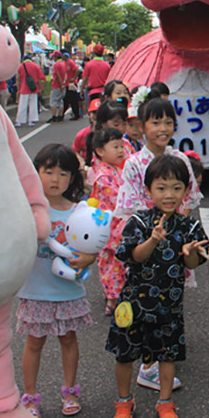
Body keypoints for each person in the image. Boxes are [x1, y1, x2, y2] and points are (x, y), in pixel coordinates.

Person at [106, 154, 209, 418]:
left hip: (169, 306)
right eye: (161, 188)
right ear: (148, 189)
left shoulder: (190, 227)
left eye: (176, 188)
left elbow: (193, 263)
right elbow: (134, 256)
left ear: (186, 190)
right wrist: (153, 239)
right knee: (125, 354)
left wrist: (189, 252)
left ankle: (165, 402)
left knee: (167, 355)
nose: (169, 195)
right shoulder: (139, 222)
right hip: (134, 303)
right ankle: (124, 401)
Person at [114, 98, 202, 392]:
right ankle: (148, 365)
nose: (163, 128)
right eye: (155, 122)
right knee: (142, 306)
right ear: (142, 126)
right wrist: (153, 230)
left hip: (174, 244)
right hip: (146, 242)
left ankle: (157, 361)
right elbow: (128, 208)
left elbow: (189, 199)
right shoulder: (133, 163)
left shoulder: (181, 160)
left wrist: (180, 230)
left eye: (168, 122)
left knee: (170, 302)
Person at [16, 144, 95, 418]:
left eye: (63, 173)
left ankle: (70, 392)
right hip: (35, 290)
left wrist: (88, 259)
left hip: (67, 291)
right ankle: (30, 396)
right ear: (36, 172)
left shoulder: (79, 211)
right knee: (34, 343)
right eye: (48, 172)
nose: (55, 179)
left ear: (72, 178)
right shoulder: (28, 210)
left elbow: (91, 247)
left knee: (69, 340)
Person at [89, 127, 127, 315]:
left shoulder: (114, 170)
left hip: (115, 227)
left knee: (117, 264)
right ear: (100, 151)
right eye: (115, 147)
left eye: (121, 146)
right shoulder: (104, 176)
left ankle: (117, 297)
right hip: (109, 229)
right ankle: (112, 300)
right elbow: (118, 200)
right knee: (111, 265)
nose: (120, 150)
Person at [16, 55, 45, 128]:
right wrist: (41, 88)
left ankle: (19, 121)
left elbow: (17, 78)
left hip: (23, 88)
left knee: (22, 105)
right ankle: (31, 121)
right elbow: (41, 78)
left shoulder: (20, 66)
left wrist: (18, 89)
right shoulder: (35, 66)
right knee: (33, 105)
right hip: (33, 88)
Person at [61, 54, 82, 121]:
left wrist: (74, 78)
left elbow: (77, 69)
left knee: (72, 100)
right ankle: (63, 114)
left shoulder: (70, 62)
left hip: (71, 84)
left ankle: (76, 114)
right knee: (67, 99)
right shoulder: (65, 63)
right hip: (67, 83)